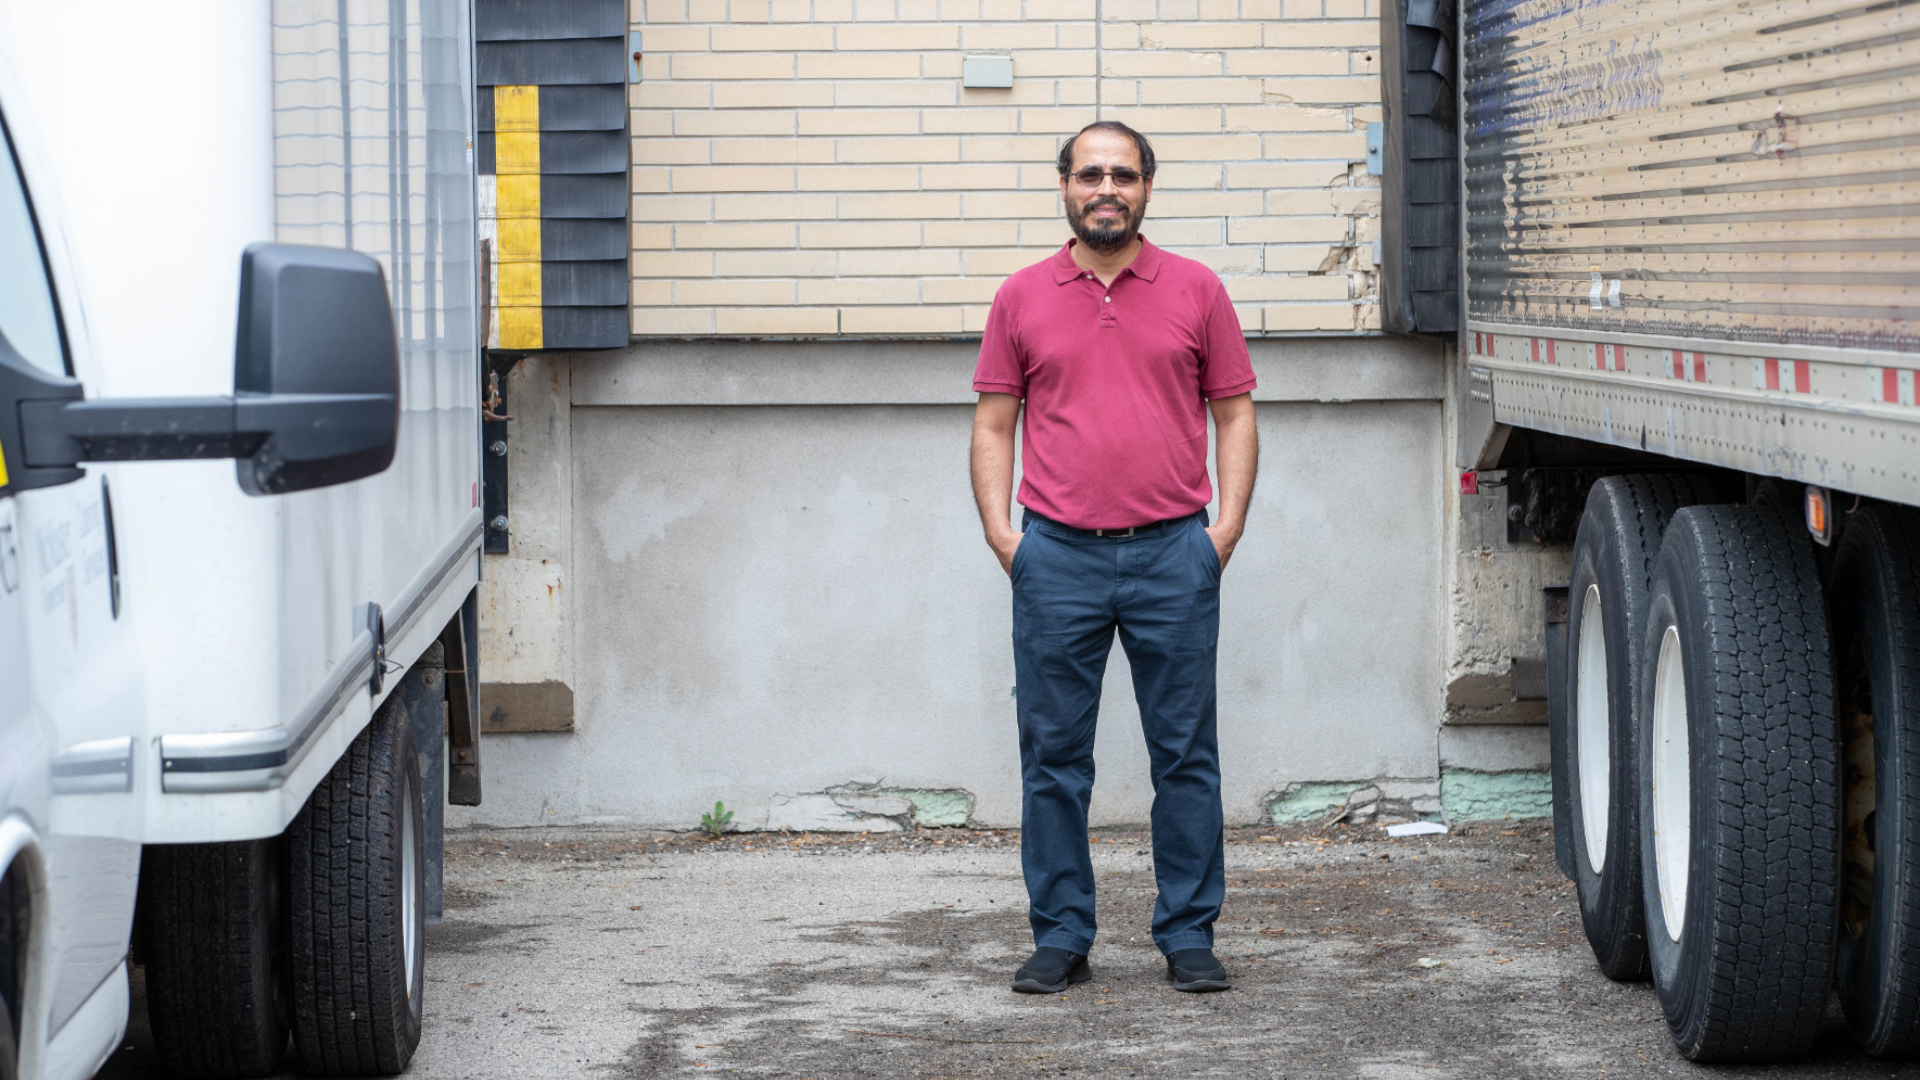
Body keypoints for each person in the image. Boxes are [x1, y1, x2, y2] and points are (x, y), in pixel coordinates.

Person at [968, 120, 1260, 994]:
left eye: (1123, 175)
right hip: (1056, 556)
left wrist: (1225, 531)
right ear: (1063, 186)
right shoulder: (1021, 295)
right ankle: (1061, 934)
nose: (1107, 188)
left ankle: (1188, 932)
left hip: (1175, 552)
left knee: (1185, 756)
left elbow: (1235, 413)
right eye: (1090, 173)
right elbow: (993, 422)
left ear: (1146, 189)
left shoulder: (1197, 289)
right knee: (1054, 757)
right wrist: (1003, 536)